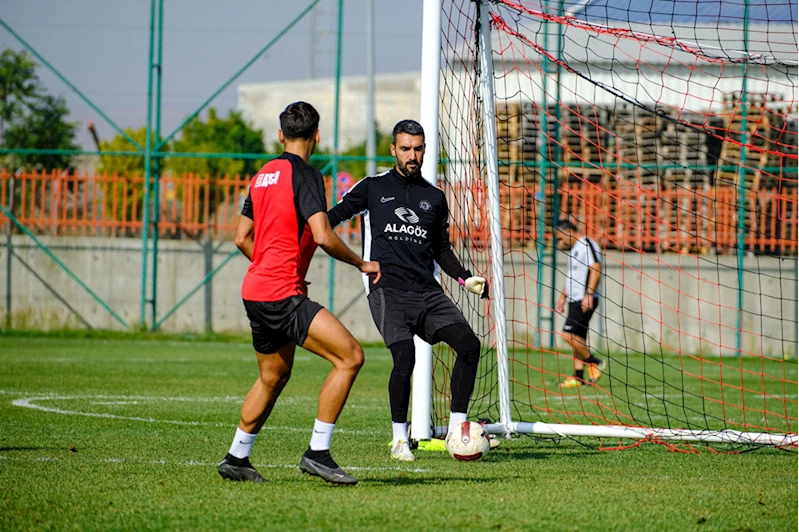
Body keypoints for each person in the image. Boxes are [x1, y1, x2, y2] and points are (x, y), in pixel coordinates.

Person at [218, 102, 381, 486]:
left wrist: (268, 262)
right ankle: (318, 453)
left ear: (281, 135)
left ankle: (237, 457)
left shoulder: (261, 175)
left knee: (273, 376)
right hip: (280, 292)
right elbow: (323, 235)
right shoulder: (305, 174)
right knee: (350, 357)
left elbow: (241, 236)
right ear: (317, 136)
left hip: (255, 289)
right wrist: (362, 263)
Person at [327, 119, 489, 462]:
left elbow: (441, 251)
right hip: (388, 291)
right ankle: (400, 440)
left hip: (427, 294)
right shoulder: (372, 187)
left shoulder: (435, 197)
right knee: (405, 357)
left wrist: (464, 278)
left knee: (469, 346)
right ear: (393, 150)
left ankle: (458, 432)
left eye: (417, 148)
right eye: (405, 149)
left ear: (425, 149)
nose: (411, 155)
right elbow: (332, 217)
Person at [554, 218, 606, 388]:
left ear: (569, 232)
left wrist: (589, 294)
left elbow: (596, 269)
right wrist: (562, 298)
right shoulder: (575, 249)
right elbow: (572, 277)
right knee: (578, 338)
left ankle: (594, 361)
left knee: (567, 335)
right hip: (573, 299)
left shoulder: (587, 245)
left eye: (560, 238)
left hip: (584, 299)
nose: (559, 242)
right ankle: (579, 378)